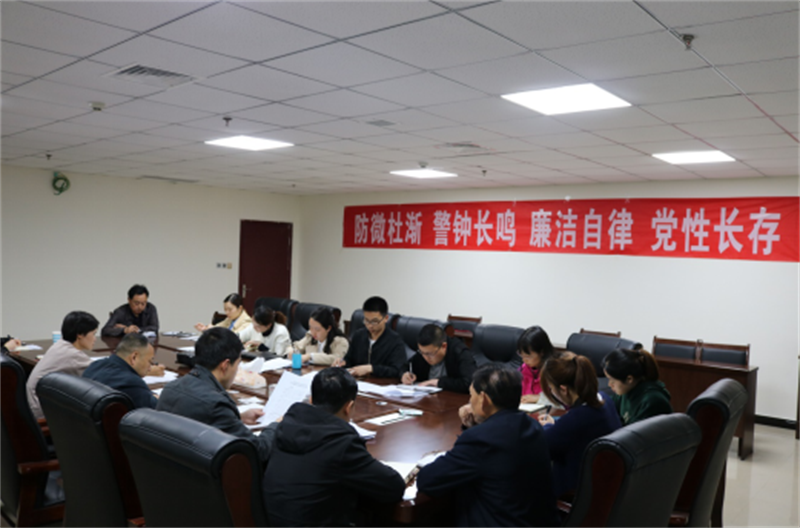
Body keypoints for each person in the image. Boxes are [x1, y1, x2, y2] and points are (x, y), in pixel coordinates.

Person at [416, 365, 560, 528]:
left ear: (483, 399)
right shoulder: (533, 426)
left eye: (471, 396)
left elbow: (428, 481)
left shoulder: (480, 440)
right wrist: (475, 427)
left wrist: (473, 432)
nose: (469, 402)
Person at [263, 368, 405, 528]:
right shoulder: (341, 443)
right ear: (349, 407)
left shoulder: (284, 426)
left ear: (311, 400)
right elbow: (394, 488)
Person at [157, 327, 277, 464]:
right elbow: (258, 451)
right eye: (237, 364)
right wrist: (276, 425)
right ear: (225, 366)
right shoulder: (216, 405)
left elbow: (199, 417)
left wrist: (237, 418)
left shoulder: (170, 388)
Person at [537, 352, 622, 498]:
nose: (551, 392)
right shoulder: (604, 399)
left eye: (551, 388)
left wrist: (547, 427)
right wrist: (555, 425)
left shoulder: (577, 419)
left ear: (563, 389)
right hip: (606, 486)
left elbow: (543, 446)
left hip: (575, 495)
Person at [27, 311, 100, 419]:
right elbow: (100, 373)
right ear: (80, 334)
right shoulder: (72, 355)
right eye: (93, 334)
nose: (95, 338)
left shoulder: (60, 345)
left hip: (35, 405)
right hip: (42, 412)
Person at [83, 333, 161, 409]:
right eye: (150, 361)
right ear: (134, 357)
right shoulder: (132, 382)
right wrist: (155, 396)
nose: (149, 368)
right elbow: (157, 407)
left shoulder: (95, 365)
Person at [335, 296, 406, 378]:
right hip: (358, 381)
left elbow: (397, 370)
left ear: (386, 318)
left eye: (374, 321)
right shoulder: (359, 335)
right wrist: (343, 362)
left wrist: (372, 369)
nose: (370, 325)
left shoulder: (395, 340)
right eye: (366, 320)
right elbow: (349, 359)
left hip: (381, 383)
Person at [602, 347, 673, 425]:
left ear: (629, 379)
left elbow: (633, 431)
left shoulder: (652, 401)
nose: (609, 384)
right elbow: (609, 406)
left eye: (612, 380)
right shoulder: (627, 390)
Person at [401, 324, 475, 393]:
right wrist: (405, 374)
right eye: (421, 352)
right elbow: (405, 366)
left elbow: (470, 383)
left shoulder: (459, 352)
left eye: (430, 354)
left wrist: (438, 382)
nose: (425, 357)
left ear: (444, 346)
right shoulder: (424, 352)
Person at [517, 326, 558, 404]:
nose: (524, 360)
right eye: (522, 355)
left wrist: (539, 398)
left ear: (542, 352)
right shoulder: (523, 369)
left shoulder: (555, 370)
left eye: (528, 356)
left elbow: (563, 401)